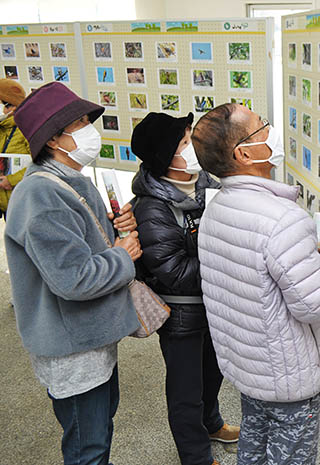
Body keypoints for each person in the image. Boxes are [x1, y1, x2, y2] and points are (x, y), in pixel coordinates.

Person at [191, 103, 320, 465]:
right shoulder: (283, 218)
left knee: (254, 444)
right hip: (288, 373)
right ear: (244, 153)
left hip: (250, 365)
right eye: (262, 125)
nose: (271, 129)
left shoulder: (216, 208)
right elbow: (316, 303)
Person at [4, 82, 143, 465]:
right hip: (73, 349)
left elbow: (84, 246)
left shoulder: (70, 181)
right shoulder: (41, 195)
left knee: (97, 433)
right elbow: (73, 278)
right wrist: (121, 256)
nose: (89, 130)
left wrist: (115, 230)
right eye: (78, 123)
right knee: (88, 446)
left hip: (90, 339)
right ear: (52, 140)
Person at [130, 112, 239, 465]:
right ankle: (196, 457)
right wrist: (228, 264)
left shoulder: (206, 183)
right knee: (186, 391)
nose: (195, 146)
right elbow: (175, 272)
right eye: (185, 142)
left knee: (214, 373)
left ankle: (211, 424)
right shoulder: (152, 208)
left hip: (215, 306)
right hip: (182, 314)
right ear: (166, 157)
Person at [0, 79, 30, 218]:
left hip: (20, 204)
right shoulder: (2, 127)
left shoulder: (26, 128)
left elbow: (41, 162)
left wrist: (11, 180)